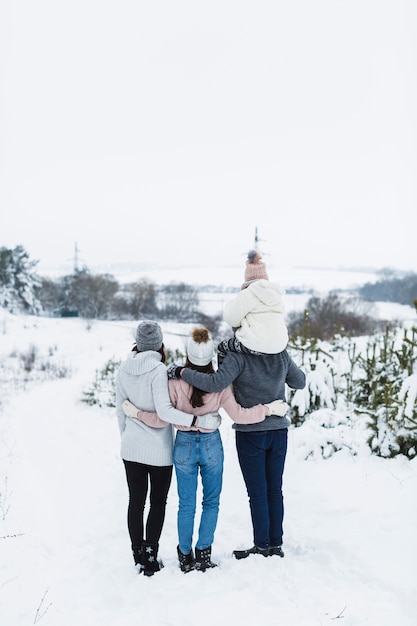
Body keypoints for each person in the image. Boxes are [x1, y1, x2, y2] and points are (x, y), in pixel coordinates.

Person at [122, 326, 288, 573]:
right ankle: (203, 554)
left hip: (184, 445)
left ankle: (185, 555)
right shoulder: (221, 384)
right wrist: (269, 409)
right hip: (211, 445)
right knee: (211, 502)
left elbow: (166, 414)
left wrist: (135, 414)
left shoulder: (174, 380)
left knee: (186, 504)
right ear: (210, 356)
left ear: (188, 355)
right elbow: (240, 416)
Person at [175, 257, 306, 560]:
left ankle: (262, 545)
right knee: (276, 490)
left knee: (258, 492)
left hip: (251, 433)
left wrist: (183, 373)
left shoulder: (237, 354)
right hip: (279, 431)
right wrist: (281, 367)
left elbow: (215, 382)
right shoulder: (280, 352)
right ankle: (275, 544)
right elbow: (298, 381)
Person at [115, 320, 221, 577]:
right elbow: (165, 414)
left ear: (138, 344)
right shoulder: (158, 370)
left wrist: (128, 433)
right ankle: (151, 557)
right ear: (159, 344)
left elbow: (121, 411)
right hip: (159, 451)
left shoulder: (123, 370)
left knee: (135, 502)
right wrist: (196, 421)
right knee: (157, 503)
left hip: (131, 448)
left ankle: (137, 554)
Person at [217, 249, 289, 364]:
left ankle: (226, 380)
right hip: (280, 345)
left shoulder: (248, 293)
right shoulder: (276, 295)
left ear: (247, 279)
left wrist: (231, 303)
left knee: (222, 347)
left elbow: (231, 319)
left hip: (255, 345)